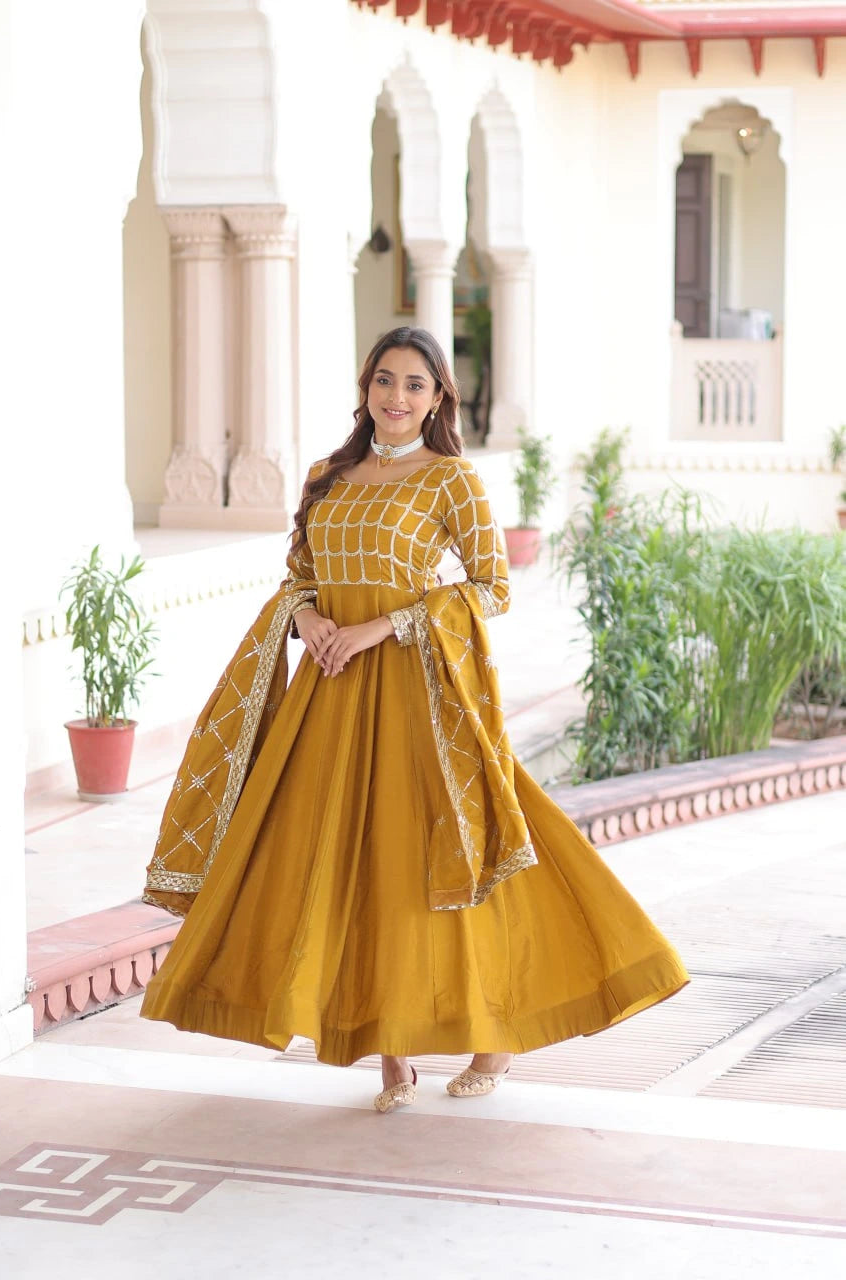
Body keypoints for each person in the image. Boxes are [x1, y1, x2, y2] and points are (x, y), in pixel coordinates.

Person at [140, 326, 689, 1113]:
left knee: (444, 853)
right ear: (365, 387)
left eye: (415, 386)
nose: (397, 398)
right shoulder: (328, 477)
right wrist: (308, 620)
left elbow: (492, 587)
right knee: (351, 866)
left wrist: (379, 626)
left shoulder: (451, 481)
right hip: (329, 702)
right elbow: (299, 576)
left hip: (420, 700)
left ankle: (495, 1035)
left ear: (437, 400)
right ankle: (387, 1052)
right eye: (386, 381)